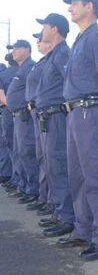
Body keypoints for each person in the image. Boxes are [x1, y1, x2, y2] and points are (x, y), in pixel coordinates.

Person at [58, 0, 98, 261]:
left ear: (89, 7)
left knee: (95, 177)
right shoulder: (81, 39)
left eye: (74, 4)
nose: (70, 9)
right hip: (74, 115)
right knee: (77, 177)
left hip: (90, 114)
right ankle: (83, 229)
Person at [34, 13, 74, 238]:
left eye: (45, 26)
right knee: (51, 165)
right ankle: (60, 212)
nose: (43, 30)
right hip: (47, 117)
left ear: (55, 29)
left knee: (59, 166)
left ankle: (67, 216)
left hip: (57, 116)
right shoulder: (52, 56)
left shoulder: (62, 54)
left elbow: (71, 82)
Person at [5, 40, 39, 204]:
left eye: (17, 48)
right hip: (16, 117)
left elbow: (33, 91)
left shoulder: (31, 66)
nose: (14, 51)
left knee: (27, 152)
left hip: (25, 116)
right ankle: (25, 185)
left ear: (27, 49)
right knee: (20, 153)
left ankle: (33, 189)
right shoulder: (21, 69)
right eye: (13, 49)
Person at [24, 32, 52, 212]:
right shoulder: (42, 62)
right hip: (38, 112)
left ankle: (55, 204)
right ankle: (47, 198)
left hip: (52, 114)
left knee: (54, 160)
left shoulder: (58, 56)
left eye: (40, 39)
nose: (38, 43)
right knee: (42, 157)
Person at [0, 54, 19, 192]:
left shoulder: (3, 75)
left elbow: (2, 96)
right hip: (25, 111)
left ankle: (11, 175)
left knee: (9, 145)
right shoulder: (28, 68)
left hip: (7, 110)